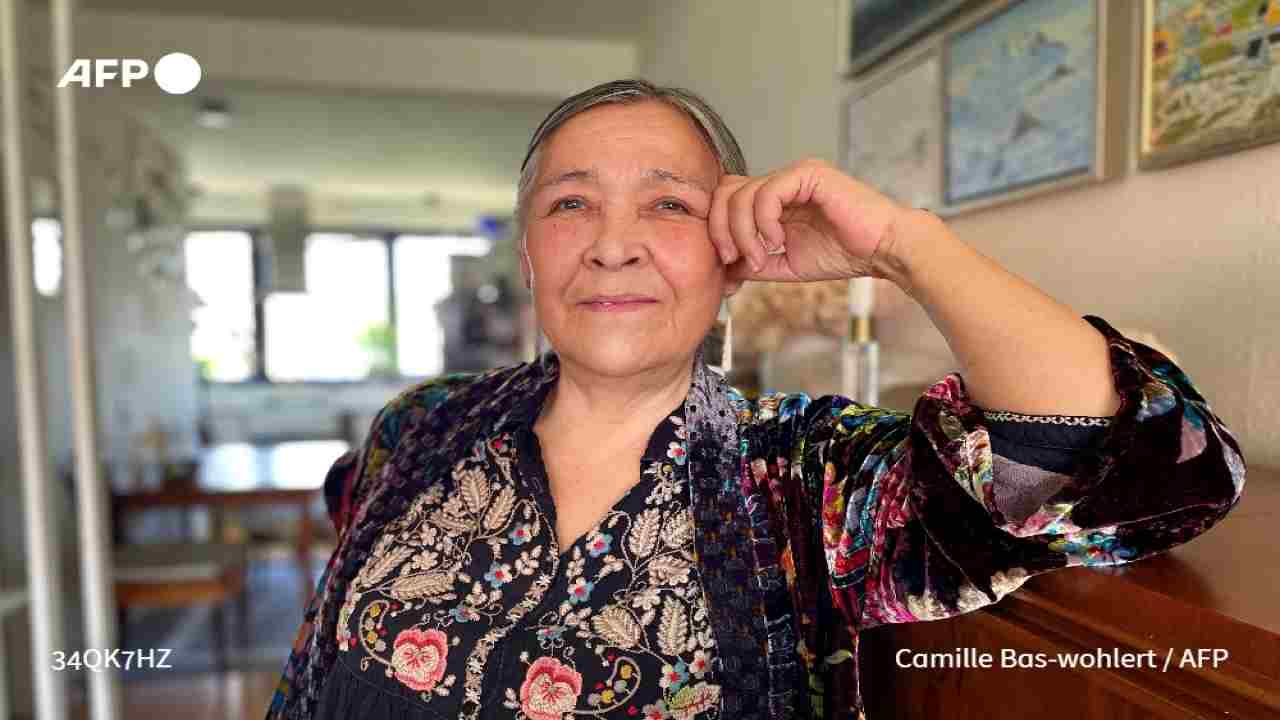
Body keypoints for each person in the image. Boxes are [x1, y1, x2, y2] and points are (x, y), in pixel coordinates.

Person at [266, 79, 1246, 720]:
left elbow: (1126, 469)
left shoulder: (801, 478)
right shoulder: (422, 427)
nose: (613, 244)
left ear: (729, 255)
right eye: (570, 203)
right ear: (528, 254)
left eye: (668, 203)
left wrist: (900, 246)